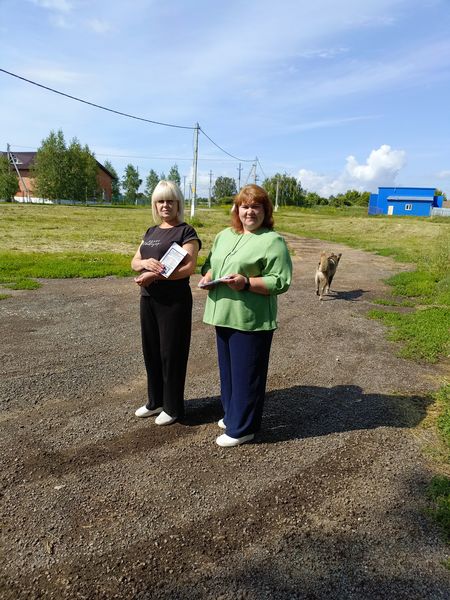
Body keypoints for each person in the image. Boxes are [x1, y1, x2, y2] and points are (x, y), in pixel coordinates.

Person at [198, 184, 292, 447]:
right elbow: (209, 264)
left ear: (266, 211)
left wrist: (247, 283)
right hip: (223, 313)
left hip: (251, 319)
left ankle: (243, 428)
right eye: (245, 206)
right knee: (229, 372)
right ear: (237, 209)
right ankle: (232, 415)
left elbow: (280, 281)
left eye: (255, 207)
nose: (249, 212)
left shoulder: (272, 241)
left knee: (247, 374)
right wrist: (207, 276)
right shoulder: (224, 235)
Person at [132, 180, 201, 425]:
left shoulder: (186, 232)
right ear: (154, 204)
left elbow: (188, 268)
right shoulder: (151, 232)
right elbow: (134, 261)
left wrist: (155, 276)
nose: (165, 206)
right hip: (148, 299)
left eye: (170, 201)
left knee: (171, 354)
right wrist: (144, 264)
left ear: (178, 204)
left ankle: (173, 408)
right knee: (151, 351)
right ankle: (156, 402)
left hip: (174, 302)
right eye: (160, 201)